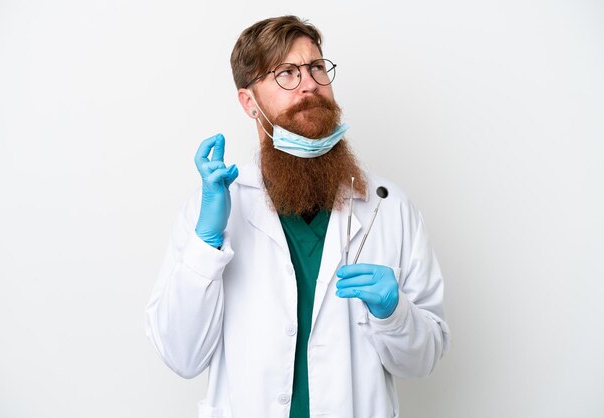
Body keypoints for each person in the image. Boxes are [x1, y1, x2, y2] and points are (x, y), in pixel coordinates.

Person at [145, 15, 450, 418]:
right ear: (249, 103)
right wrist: (206, 244)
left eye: (317, 68)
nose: (310, 84)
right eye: (286, 73)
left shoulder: (387, 207)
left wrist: (395, 313)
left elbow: (422, 360)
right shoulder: (215, 211)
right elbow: (181, 355)